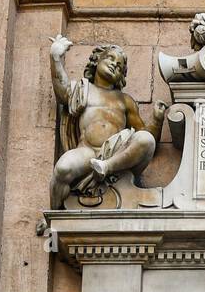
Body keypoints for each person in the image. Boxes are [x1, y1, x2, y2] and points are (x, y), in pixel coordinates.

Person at [49, 36, 166, 207]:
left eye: (119, 66)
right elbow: (62, 92)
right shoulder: (83, 89)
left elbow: (148, 139)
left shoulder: (125, 101)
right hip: (87, 151)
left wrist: (157, 120)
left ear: (121, 76)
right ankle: (54, 214)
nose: (114, 65)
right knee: (62, 169)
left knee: (145, 140)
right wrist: (55, 57)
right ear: (97, 60)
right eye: (110, 58)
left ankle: (106, 167)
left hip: (116, 151)